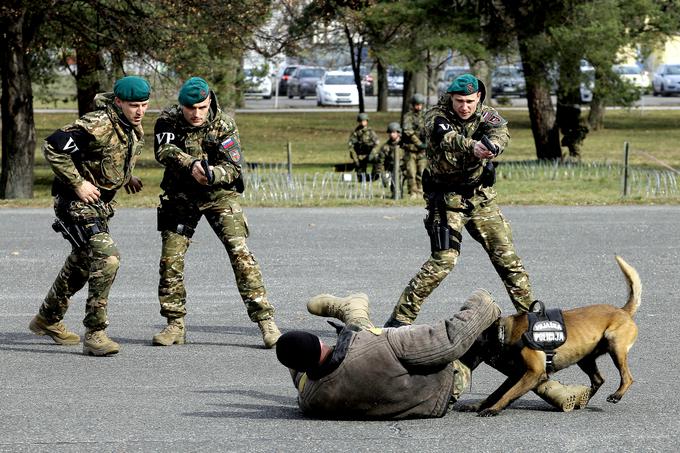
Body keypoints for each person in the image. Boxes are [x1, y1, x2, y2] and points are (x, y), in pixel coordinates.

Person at [276, 292, 591, 419]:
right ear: (321, 342)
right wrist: (482, 301)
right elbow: (449, 342)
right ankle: (550, 386)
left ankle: (352, 308)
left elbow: (302, 375)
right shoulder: (378, 346)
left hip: (420, 404)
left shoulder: (310, 398)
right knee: (490, 333)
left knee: (361, 335)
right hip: (445, 383)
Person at [384, 74, 533, 328]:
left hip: (480, 199)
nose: (464, 107)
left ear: (479, 99)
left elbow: (501, 133)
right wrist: (474, 146)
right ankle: (398, 322)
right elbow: (446, 137)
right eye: (459, 101)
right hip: (446, 200)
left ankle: (532, 319)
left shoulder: (487, 115)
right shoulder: (436, 115)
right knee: (444, 259)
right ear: (451, 98)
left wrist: (493, 146)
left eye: (469, 101)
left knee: (507, 258)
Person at [152, 77, 281, 348]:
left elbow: (234, 167)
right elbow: (164, 150)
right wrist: (191, 165)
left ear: (209, 101)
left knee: (241, 254)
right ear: (182, 106)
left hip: (219, 195)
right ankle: (174, 324)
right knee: (170, 259)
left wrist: (212, 175)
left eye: (201, 107)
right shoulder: (168, 120)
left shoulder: (224, 124)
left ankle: (266, 322)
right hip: (181, 196)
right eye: (190, 109)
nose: (196, 114)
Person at [29, 76, 151, 356]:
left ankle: (47, 319)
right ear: (118, 102)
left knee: (82, 263)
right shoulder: (98, 124)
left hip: (98, 206)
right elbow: (54, 145)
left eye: (144, 105)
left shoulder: (129, 124)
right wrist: (77, 183)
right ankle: (95, 333)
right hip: (75, 204)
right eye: (134, 105)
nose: (140, 111)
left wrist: (126, 176)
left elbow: (106, 156)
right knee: (107, 258)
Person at [402, 93, 428, 198]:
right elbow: (408, 131)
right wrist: (419, 143)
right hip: (411, 149)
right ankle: (413, 192)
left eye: (420, 104)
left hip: (422, 151)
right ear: (413, 105)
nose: (419, 107)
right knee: (411, 172)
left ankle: (421, 191)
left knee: (422, 172)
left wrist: (427, 142)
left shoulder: (426, 115)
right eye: (417, 104)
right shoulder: (408, 116)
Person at [373, 122, 406, 198]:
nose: (392, 134)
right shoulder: (385, 147)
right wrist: (382, 174)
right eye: (390, 132)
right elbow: (381, 162)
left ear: (398, 132)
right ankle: (395, 193)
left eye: (394, 132)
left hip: (404, 168)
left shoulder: (404, 145)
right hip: (392, 170)